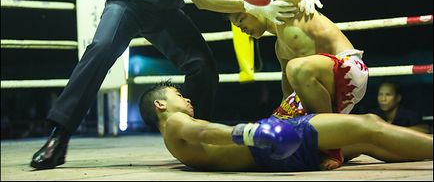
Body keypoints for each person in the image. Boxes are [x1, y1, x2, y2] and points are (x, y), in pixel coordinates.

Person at [30, 0, 320, 170]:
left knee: (203, 66)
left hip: (165, 11)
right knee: (102, 50)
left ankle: (199, 137)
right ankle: (59, 136)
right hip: (129, 3)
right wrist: (256, 8)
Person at [228, 0, 369, 168]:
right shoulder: (280, 46)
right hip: (324, 82)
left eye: (241, 19)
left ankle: (331, 149)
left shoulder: (287, 9)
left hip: (349, 70)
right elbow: (288, 94)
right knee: (274, 126)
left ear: (254, 8)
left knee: (297, 69)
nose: (241, 29)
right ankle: (352, 145)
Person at [138, 80, 433, 172]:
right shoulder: (176, 123)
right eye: (178, 95)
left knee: (367, 142)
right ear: (160, 105)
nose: (187, 98)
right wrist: (252, 132)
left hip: (276, 156)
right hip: (274, 142)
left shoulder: (175, 145)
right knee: (369, 124)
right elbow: (202, 131)